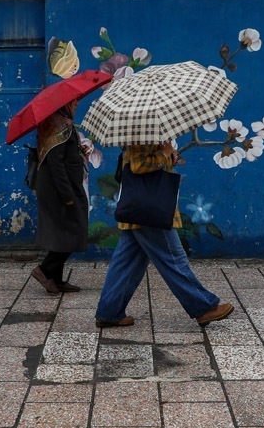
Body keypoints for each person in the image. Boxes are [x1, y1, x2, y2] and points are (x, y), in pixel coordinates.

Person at [95, 142, 234, 328]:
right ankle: (204, 308)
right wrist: (165, 152)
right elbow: (138, 165)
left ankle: (109, 311)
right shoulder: (141, 132)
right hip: (150, 211)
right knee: (174, 260)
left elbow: (148, 162)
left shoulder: (147, 132)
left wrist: (168, 155)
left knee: (127, 262)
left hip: (139, 210)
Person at [31, 100, 87, 294]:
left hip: (64, 187)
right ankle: (44, 270)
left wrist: (79, 153)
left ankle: (57, 279)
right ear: (63, 104)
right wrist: (68, 196)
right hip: (59, 189)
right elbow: (56, 165)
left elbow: (65, 154)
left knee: (62, 232)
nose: (77, 104)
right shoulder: (58, 126)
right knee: (72, 229)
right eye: (74, 102)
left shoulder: (63, 124)